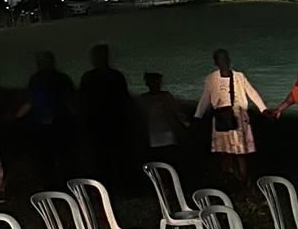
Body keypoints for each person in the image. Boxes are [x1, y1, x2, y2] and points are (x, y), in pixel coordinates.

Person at [194, 49, 267, 184]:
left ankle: (242, 180)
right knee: (224, 152)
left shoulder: (239, 76)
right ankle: (229, 179)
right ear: (216, 62)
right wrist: (198, 115)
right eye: (220, 59)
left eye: (225, 58)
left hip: (238, 116)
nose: (224, 61)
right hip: (221, 118)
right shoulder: (211, 78)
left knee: (240, 152)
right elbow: (205, 97)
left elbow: (251, 92)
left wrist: (263, 109)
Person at [78, 44, 134, 186]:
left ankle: (108, 183)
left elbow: (83, 100)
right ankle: (116, 183)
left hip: (103, 122)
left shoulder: (90, 77)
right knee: (110, 155)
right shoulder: (115, 76)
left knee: (105, 156)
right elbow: (125, 99)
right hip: (109, 121)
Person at [19, 51, 76, 188]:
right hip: (59, 123)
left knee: (47, 159)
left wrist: (16, 116)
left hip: (44, 124)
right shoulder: (62, 78)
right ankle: (68, 185)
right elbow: (70, 101)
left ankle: (51, 186)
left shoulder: (36, 79)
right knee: (62, 157)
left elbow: (30, 101)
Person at [136, 71, 189, 165]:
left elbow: (177, 113)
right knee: (165, 161)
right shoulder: (161, 97)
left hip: (162, 136)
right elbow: (177, 113)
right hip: (157, 136)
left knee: (164, 161)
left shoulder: (146, 99)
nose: (157, 85)